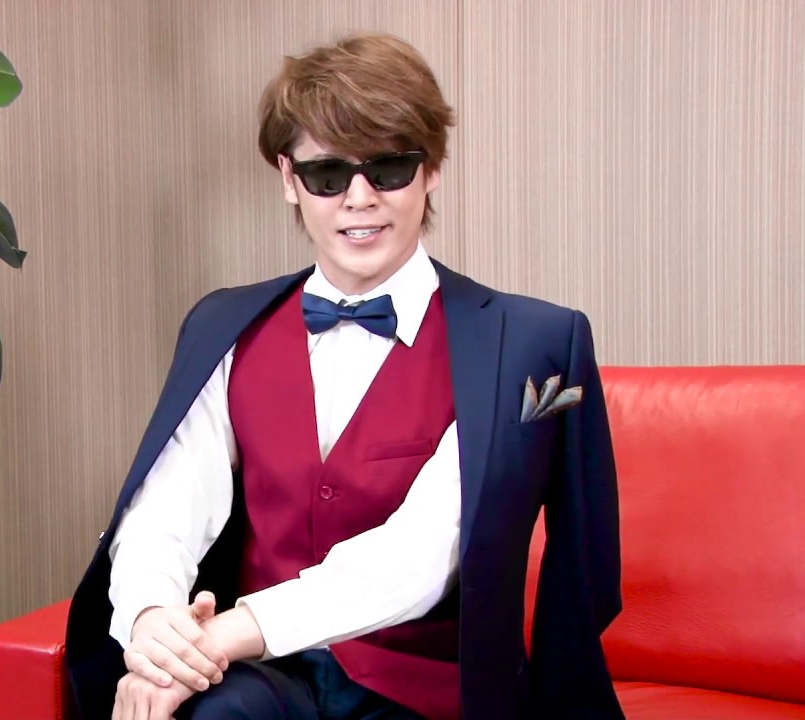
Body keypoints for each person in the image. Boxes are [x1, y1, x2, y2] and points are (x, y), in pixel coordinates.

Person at [64, 32, 624, 720]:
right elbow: (167, 509)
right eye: (328, 175)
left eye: (388, 169)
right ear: (288, 179)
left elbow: (422, 557)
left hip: (428, 692)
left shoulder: (530, 346)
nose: (359, 199)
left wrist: (222, 637)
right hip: (267, 679)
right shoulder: (225, 326)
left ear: (431, 170)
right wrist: (155, 629)